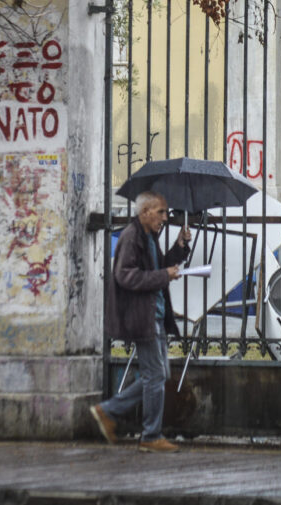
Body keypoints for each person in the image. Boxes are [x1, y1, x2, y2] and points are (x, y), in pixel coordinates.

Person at [90, 190, 191, 453]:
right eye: (160, 212)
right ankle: (150, 435)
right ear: (144, 212)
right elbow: (125, 276)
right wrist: (163, 276)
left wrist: (179, 247)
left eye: (165, 212)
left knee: (158, 375)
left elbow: (158, 269)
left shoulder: (148, 237)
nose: (165, 217)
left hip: (153, 315)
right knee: (155, 375)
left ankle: (107, 411)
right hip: (141, 318)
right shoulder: (132, 237)